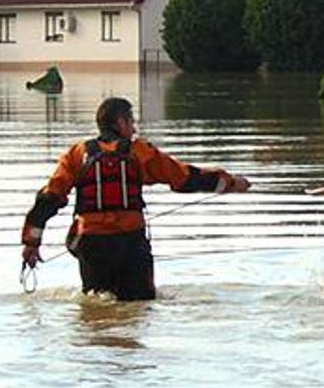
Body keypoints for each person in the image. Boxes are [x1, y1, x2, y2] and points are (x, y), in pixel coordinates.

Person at [20, 96, 250, 299]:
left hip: (92, 244)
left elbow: (49, 198)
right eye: (131, 122)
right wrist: (230, 183)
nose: (134, 129)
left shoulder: (76, 155)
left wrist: (31, 243)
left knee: (96, 305)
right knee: (140, 305)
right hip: (130, 242)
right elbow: (184, 177)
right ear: (121, 123)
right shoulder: (139, 152)